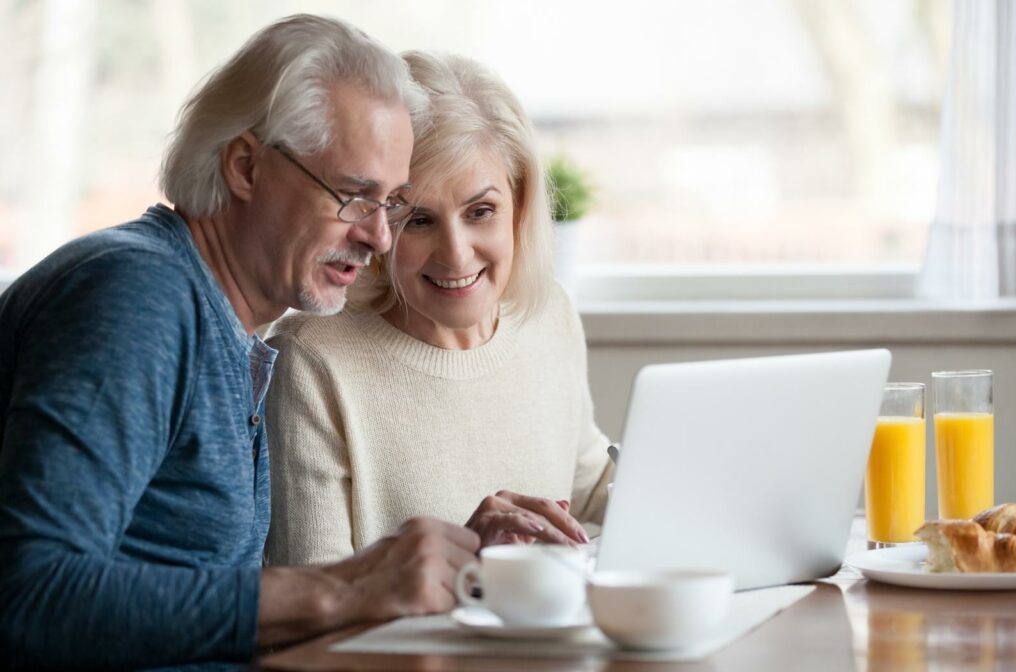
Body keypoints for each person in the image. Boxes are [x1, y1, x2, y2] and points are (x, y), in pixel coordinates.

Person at [0, 15, 479, 670]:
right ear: (247, 166)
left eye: (391, 202)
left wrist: (470, 564)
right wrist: (337, 590)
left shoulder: (222, 320)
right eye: (353, 195)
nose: (380, 238)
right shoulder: (137, 298)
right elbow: (31, 598)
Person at [264, 51, 613, 567]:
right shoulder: (311, 361)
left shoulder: (548, 317)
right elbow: (312, 605)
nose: (456, 253)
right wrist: (461, 562)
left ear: (519, 206)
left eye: (481, 211)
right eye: (419, 220)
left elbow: (586, 490)